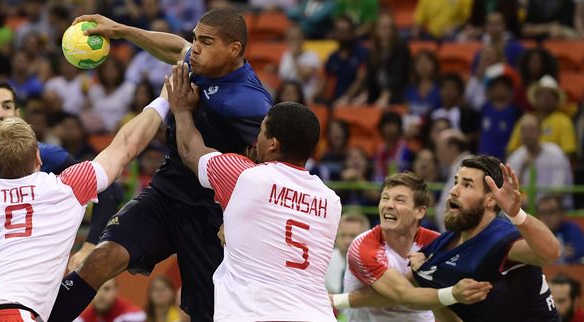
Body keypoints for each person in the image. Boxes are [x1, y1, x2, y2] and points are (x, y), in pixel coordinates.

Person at [49, 8, 273, 322]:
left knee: (211, 314)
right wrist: (121, 30)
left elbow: (269, 166)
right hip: (166, 195)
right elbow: (176, 49)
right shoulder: (199, 64)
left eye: (206, 42)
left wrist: (240, 215)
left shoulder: (249, 103)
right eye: (196, 38)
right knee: (100, 260)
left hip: (212, 216)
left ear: (234, 49)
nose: (195, 47)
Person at [0, 102, 163, 321]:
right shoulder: (64, 188)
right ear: (38, 157)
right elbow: (125, 146)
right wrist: (165, 99)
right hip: (13, 313)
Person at [166, 62, 341, 321]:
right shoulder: (331, 200)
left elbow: (190, 151)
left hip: (256, 313)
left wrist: (181, 110)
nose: (254, 139)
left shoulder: (244, 175)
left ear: (272, 143)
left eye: (260, 132)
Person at [0, 80, 122, 261]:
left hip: (37, 268)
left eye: (6, 106)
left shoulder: (47, 154)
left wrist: (90, 245)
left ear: (17, 113)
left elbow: (110, 189)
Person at [411, 156, 561, 321]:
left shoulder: (503, 239)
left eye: (467, 185)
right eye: (456, 182)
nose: (453, 191)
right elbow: (405, 291)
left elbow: (551, 253)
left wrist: (516, 214)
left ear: (490, 199)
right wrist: (420, 273)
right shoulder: (447, 241)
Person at [331, 172, 492, 322]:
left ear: (420, 212)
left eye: (399, 200)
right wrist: (452, 293)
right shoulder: (363, 247)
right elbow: (404, 295)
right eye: (385, 198)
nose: (388, 205)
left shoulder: (436, 243)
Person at [325, 212, 370, 294]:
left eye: (353, 236)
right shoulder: (324, 260)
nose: (347, 241)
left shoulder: (374, 263)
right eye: (343, 235)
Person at [536, 195, 584, 264]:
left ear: (561, 213)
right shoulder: (534, 232)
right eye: (543, 213)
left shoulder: (572, 229)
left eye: (552, 212)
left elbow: (579, 252)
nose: (547, 217)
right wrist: (559, 252)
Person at [75, 279, 147, 322]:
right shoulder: (81, 318)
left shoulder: (133, 316)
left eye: (107, 289)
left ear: (116, 290)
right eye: (96, 289)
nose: (101, 294)